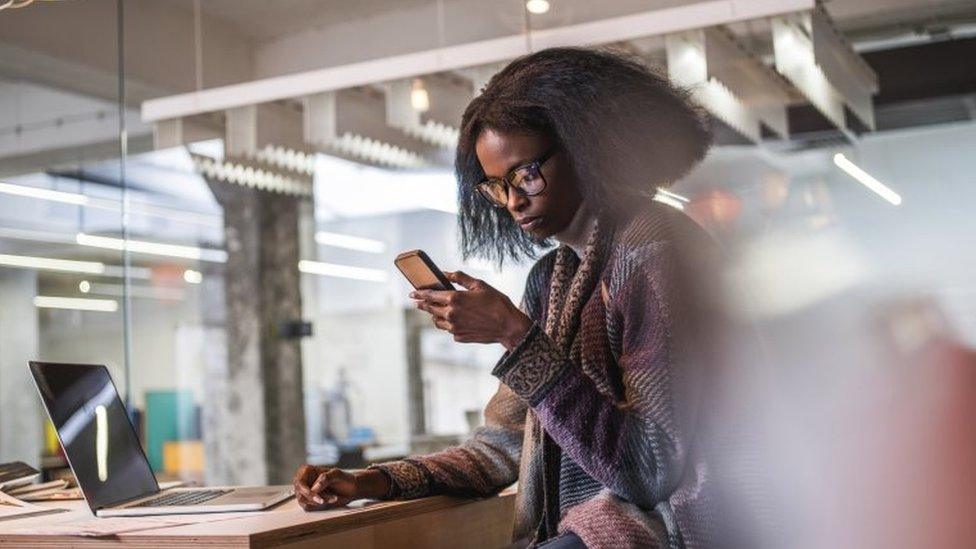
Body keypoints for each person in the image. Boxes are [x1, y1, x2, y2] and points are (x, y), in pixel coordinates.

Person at [294, 47, 717, 549]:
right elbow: (499, 449)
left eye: (526, 174)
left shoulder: (653, 252)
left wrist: (515, 336)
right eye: (496, 186)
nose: (514, 200)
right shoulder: (552, 277)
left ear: (587, 147)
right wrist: (371, 481)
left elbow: (647, 471)